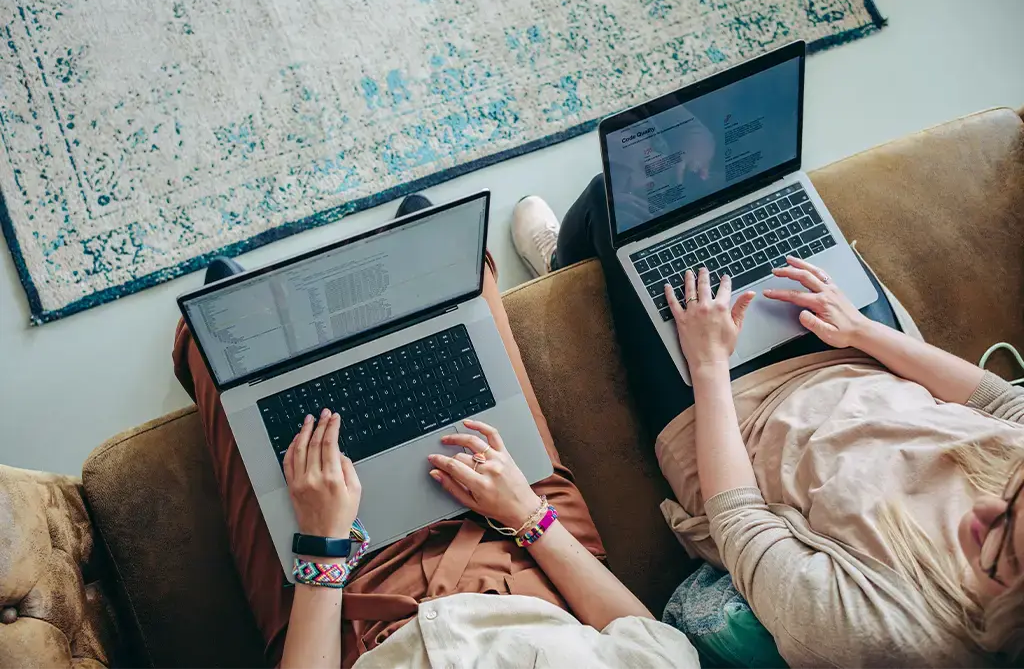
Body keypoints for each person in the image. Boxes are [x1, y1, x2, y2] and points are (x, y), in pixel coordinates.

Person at [173, 195, 698, 669]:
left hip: (349, 604)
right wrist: (528, 515)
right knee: (462, 288)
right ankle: (415, 254)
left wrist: (322, 546)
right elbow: (649, 643)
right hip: (519, 552)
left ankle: (247, 310)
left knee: (213, 352)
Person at [512, 182, 1024, 666]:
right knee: (771, 199)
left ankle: (561, 264)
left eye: (1000, 549)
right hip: (868, 360)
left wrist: (709, 364)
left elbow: (739, 520)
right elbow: (1001, 404)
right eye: (1013, 502)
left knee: (615, 201)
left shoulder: (875, 638)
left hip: (739, 421)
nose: (986, 508)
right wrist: (860, 329)